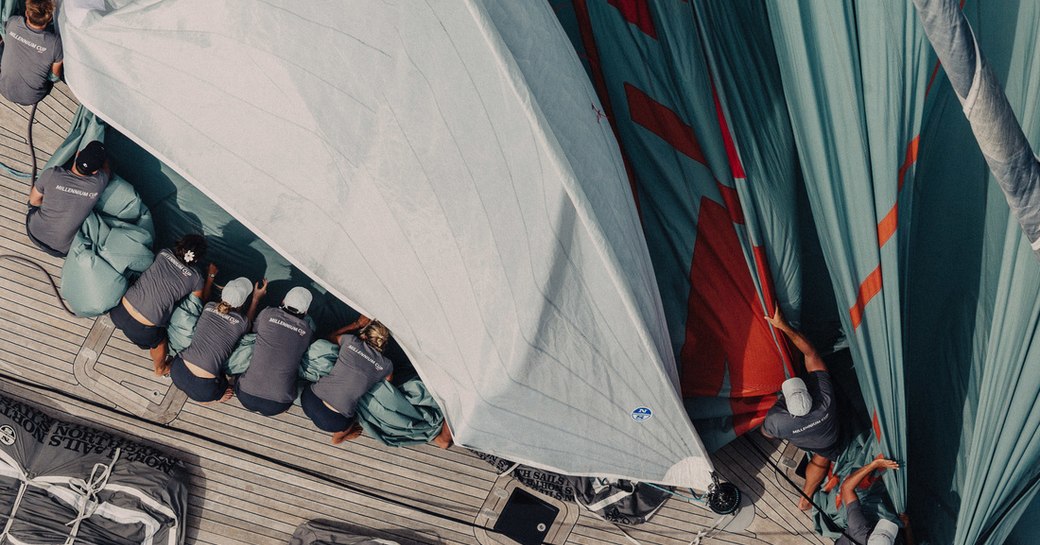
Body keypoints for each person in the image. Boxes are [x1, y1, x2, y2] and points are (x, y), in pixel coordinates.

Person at [310, 317, 453, 448]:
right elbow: (387, 385)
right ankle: (338, 437)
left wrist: (357, 324)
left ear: (364, 335)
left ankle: (339, 434)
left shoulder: (350, 341)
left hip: (310, 401)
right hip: (335, 422)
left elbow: (330, 338)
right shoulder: (387, 365)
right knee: (350, 413)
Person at [761, 306, 840, 510]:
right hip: (827, 438)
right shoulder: (825, 400)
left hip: (802, 439)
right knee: (822, 458)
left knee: (818, 456)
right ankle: (806, 496)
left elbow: (766, 434)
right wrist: (784, 326)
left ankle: (806, 499)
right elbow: (811, 352)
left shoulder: (777, 421)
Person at [110, 234, 214, 375]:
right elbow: (200, 301)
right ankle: (160, 368)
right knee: (161, 342)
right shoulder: (196, 278)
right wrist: (210, 276)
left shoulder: (163, 253)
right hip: (142, 331)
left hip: (119, 312)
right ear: (196, 259)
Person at [167, 277, 267, 402]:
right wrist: (255, 299)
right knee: (223, 387)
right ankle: (218, 398)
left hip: (178, 370)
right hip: (202, 387)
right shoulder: (243, 322)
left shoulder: (209, 306)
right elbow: (248, 323)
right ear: (242, 303)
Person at [234, 286, 314, 417]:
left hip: (246, 396)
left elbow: (254, 331)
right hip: (277, 405)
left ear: (283, 301)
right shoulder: (307, 330)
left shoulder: (267, 313)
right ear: (306, 311)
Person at [25, 141, 109, 257]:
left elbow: (34, 201)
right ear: (95, 171)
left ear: (77, 154)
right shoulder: (99, 183)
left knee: (33, 203)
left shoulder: (52, 174)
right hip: (60, 250)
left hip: (34, 231)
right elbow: (107, 170)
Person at [835, 457, 911, 545]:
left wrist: (874, 464)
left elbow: (846, 488)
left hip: (858, 530)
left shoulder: (859, 529)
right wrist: (907, 528)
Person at [0, 0, 63, 106]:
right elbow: (54, 77)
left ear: (26, 13)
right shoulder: (55, 43)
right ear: (50, 18)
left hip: (4, 89)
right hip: (32, 97)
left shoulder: (13, 22)